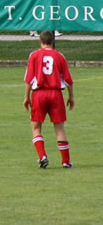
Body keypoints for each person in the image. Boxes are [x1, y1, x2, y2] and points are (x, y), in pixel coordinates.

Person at [23, 30, 74, 169]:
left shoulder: (33, 55)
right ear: (53, 41)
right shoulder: (60, 56)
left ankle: (42, 157)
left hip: (39, 94)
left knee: (36, 127)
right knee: (60, 129)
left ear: (40, 41)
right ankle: (66, 161)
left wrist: (27, 97)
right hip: (56, 94)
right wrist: (71, 96)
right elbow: (68, 79)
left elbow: (29, 78)